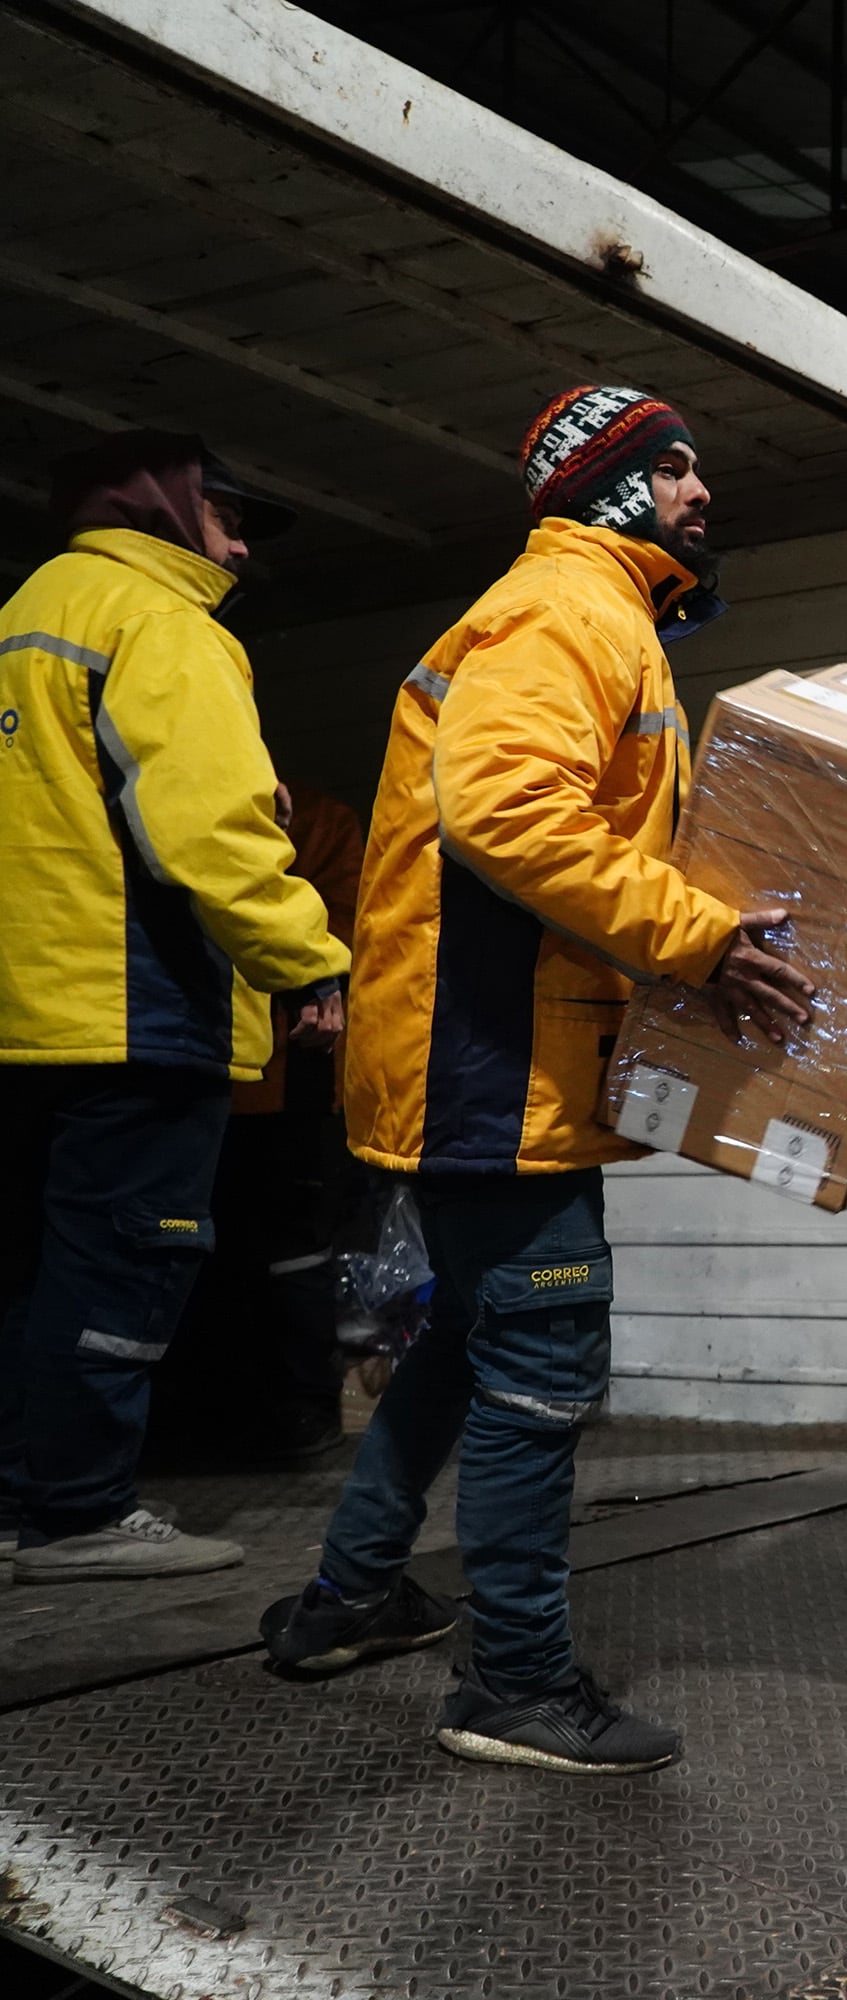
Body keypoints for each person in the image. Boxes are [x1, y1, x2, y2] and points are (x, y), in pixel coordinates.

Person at [259, 386, 815, 1774]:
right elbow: (505, 814)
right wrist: (696, 941)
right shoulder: (566, 612)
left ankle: (349, 1599)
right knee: (546, 1357)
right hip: (489, 1058)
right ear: (611, 484)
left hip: (495, 1051)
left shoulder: (597, 615)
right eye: (673, 467)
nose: (700, 491)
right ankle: (512, 1682)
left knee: (472, 1341)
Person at [1, 432, 349, 1583]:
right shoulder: (160, 622)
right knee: (121, 1259)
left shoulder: (21, 616)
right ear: (161, 504)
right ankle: (75, 1510)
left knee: (32, 1266)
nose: (242, 544)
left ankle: (20, 1502)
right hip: (129, 1003)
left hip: (24, 1008)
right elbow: (206, 825)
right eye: (230, 516)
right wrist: (305, 958)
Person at [148, 781, 365, 1470]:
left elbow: (349, 928)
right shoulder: (282, 820)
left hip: (282, 1076)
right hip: (213, 1068)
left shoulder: (319, 824)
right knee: (226, 1252)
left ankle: (296, 1409)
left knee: (285, 1248)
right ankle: (237, 1409)